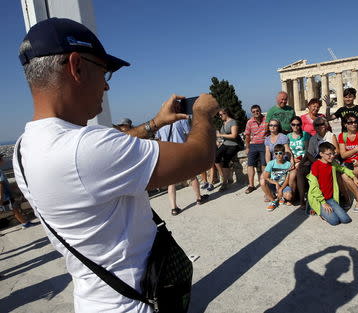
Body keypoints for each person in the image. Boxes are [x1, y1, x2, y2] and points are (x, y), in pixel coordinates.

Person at [13, 17, 219, 313]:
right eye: (104, 70)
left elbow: (105, 157)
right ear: (77, 66)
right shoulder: (84, 149)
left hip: (95, 300)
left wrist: (155, 123)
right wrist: (203, 113)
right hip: (136, 303)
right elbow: (200, 156)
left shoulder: (25, 147)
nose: (107, 85)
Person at [156, 118, 209, 216]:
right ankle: (198, 198)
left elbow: (158, 139)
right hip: (182, 151)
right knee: (192, 175)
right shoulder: (180, 120)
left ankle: (174, 208)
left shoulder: (161, 122)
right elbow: (189, 133)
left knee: (171, 182)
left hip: (168, 154)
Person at [307, 142, 358, 226]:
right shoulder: (316, 166)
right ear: (321, 154)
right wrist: (323, 203)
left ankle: (327, 210)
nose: (332, 156)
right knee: (334, 221)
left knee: (346, 219)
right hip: (319, 199)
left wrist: (354, 177)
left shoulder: (332, 164)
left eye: (333, 154)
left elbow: (343, 169)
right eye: (329, 154)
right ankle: (316, 209)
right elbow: (314, 187)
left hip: (330, 198)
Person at [0, 153, 37, 229]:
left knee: (13, 209)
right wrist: (1, 196)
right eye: (1, 158)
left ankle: (25, 223)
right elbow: (0, 184)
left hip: (5, 196)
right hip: (5, 196)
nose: (3, 160)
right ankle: (25, 223)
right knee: (14, 209)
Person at [260, 144, 293, 211]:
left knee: (289, 196)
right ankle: (273, 201)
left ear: (284, 154)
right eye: (276, 153)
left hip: (283, 185)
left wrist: (281, 189)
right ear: (274, 154)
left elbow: (287, 179)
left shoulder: (288, 164)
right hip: (273, 184)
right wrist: (276, 183)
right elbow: (265, 177)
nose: (278, 155)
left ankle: (280, 196)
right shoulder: (271, 163)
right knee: (262, 181)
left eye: (280, 153)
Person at [286, 116, 310, 208]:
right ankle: (293, 196)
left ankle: (300, 199)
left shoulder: (306, 134)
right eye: (293, 124)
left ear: (301, 125)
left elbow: (308, 151)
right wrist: (292, 160)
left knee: (298, 172)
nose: (296, 126)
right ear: (290, 125)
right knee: (292, 175)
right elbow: (287, 151)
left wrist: (301, 161)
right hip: (293, 160)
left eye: (298, 124)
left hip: (304, 160)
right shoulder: (288, 137)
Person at [215, 108, 240, 191]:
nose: (220, 116)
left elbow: (234, 135)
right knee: (215, 158)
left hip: (233, 145)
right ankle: (223, 176)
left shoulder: (233, 122)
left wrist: (220, 135)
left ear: (226, 114)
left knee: (226, 161)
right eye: (219, 115)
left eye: (221, 114)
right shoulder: (223, 122)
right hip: (225, 144)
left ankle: (225, 183)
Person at [244, 104, 267, 194]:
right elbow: (247, 135)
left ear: (260, 110)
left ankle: (265, 184)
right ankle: (251, 185)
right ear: (252, 113)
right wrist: (247, 147)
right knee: (250, 164)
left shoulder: (266, 120)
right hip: (253, 144)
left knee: (264, 164)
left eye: (257, 111)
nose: (256, 113)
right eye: (253, 112)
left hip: (264, 143)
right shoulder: (250, 122)